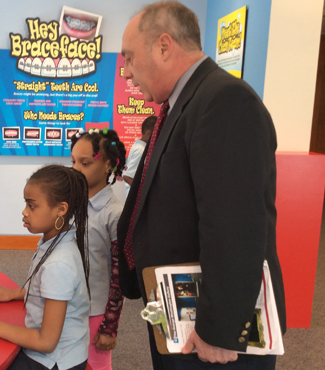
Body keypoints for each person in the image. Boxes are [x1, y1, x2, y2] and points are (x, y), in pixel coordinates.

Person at [117, 1, 286, 369]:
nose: (126, 73)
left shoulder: (225, 101)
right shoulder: (181, 105)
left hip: (212, 336)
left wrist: (219, 328)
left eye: (129, 58)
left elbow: (236, 227)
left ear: (164, 45)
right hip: (176, 311)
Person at [0, 165, 90, 370]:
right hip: (57, 352)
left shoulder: (59, 264)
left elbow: (46, 342)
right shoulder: (56, 240)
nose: (24, 212)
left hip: (54, 361)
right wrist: (16, 294)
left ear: (61, 209)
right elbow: (51, 291)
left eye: (32, 206)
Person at [70, 127, 126, 370]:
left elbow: (118, 274)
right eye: (73, 162)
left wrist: (109, 326)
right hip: (69, 301)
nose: (75, 169)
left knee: (96, 364)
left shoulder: (113, 214)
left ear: (107, 166)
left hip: (96, 310)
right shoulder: (72, 204)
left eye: (84, 163)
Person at [123, 115, 157, 195]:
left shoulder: (140, 147)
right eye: (157, 134)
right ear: (149, 134)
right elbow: (127, 176)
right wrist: (142, 192)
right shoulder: (140, 150)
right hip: (136, 198)